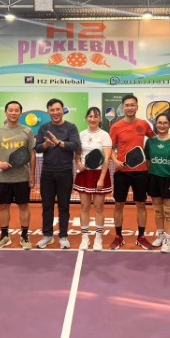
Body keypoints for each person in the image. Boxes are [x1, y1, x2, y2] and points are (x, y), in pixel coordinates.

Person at [0, 101, 36, 250]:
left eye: (16, 110)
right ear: (6, 112)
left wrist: (32, 175)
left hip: (22, 177)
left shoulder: (27, 131)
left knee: (24, 206)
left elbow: (32, 154)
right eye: (10, 110)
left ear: (21, 113)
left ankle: (24, 236)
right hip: (4, 177)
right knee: (3, 206)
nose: (13, 113)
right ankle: (4, 236)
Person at [108, 94, 155, 250]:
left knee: (141, 204)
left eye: (132, 105)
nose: (129, 107)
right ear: (123, 107)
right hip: (122, 172)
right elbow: (110, 148)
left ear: (137, 107)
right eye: (127, 105)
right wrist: (115, 161)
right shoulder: (116, 127)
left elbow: (155, 140)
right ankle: (118, 237)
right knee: (119, 204)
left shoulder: (144, 124)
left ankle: (141, 237)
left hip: (141, 172)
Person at [35, 98, 80, 249]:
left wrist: (59, 142)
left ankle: (63, 236)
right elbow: (37, 147)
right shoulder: (43, 127)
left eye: (57, 109)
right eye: (52, 110)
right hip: (47, 173)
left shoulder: (71, 127)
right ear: (48, 111)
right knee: (47, 206)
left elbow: (75, 145)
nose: (55, 112)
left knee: (64, 206)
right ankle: (47, 235)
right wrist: (45, 144)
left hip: (65, 172)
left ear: (63, 110)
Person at [73, 107, 113, 251]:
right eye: (90, 116)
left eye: (95, 116)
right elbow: (78, 154)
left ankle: (98, 238)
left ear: (100, 119)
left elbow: (107, 159)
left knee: (98, 207)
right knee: (84, 207)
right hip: (84, 174)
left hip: (99, 174)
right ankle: (85, 238)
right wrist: (78, 162)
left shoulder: (104, 135)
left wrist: (101, 179)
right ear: (86, 118)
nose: (92, 119)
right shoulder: (81, 134)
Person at [145, 113, 170, 253]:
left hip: (169, 179)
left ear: (169, 125)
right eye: (159, 123)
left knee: (169, 212)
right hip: (154, 178)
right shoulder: (150, 142)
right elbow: (147, 161)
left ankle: (168, 240)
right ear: (156, 124)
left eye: (165, 123)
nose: (162, 125)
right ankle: (160, 235)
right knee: (158, 210)